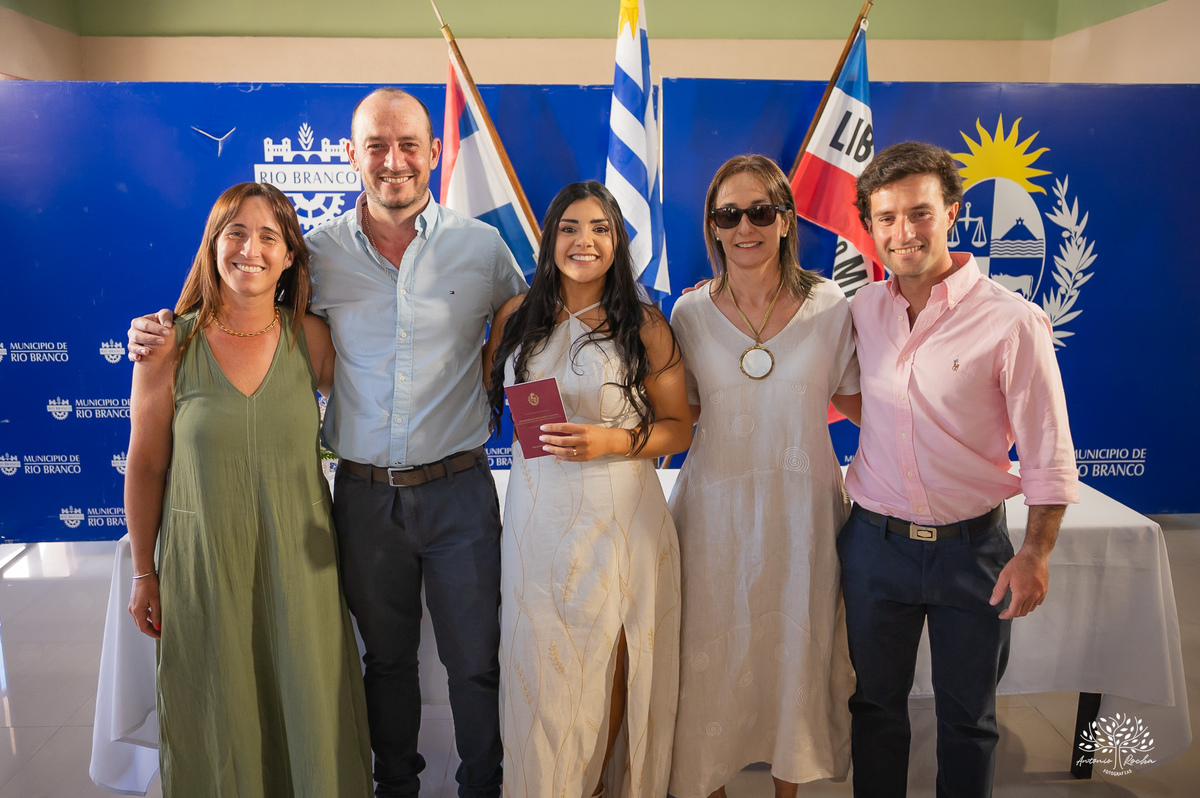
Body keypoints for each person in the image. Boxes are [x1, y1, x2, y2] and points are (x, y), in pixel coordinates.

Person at [127, 88, 528, 798]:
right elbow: (239, 308)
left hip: (462, 491)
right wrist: (161, 328)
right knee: (387, 665)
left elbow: (531, 342)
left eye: (409, 144)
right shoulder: (318, 255)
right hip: (366, 498)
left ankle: (483, 789)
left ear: (436, 153)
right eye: (376, 145)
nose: (394, 161)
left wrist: (559, 435)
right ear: (350, 157)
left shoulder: (486, 248)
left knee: (475, 663)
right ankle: (393, 788)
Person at [838, 141, 1078, 798]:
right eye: (885, 218)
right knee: (874, 710)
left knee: (969, 720)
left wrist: (1036, 551)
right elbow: (811, 364)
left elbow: (1048, 449)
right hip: (872, 547)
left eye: (919, 213)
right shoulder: (858, 312)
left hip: (973, 553)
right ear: (869, 225)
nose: (903, 232)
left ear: (952, 213)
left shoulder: (1011, 321)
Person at [124, 181, 373, 797]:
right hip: (205, 565)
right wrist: (144, 571)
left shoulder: (310, 339)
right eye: (236, 232)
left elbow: (392, 386)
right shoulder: (168, 344)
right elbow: (146, 465)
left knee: (309, 709)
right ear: (212, 245)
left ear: (291, 255)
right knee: (216, 711)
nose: (251, 249)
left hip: (299, 565)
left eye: (269, 236)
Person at [482, 181, 691, 798]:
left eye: (600, 228)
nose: (585, 240)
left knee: (615, 659)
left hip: (621, 518)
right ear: (549, 241)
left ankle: (605, 786)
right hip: (537, 521)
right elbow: (495, 400)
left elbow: (679, 427)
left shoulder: (646, 324)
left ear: (617, 241)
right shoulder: (514, 317)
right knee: (540, 668)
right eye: (570, 227)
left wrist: (612, 442)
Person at [666, 155, 861, 798]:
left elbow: (869, 403)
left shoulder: (833, 305)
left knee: (797, 655)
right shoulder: (688, 314)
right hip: (712, 515)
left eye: (760, 211)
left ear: (785, 220)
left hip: (803, 516)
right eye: (729, 214)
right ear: (712, 227)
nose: (744, 226)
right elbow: (676, 411)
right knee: (708, 658)